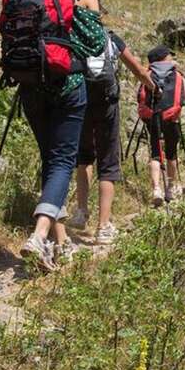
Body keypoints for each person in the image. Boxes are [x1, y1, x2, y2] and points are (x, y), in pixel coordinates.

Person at [0, 0, 94, 271]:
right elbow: (96, 43)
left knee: (51, 161)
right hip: (67, 84)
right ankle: (39, 236)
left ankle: (61, 242)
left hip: (28, 81)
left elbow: (2, 24)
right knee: (62, 162)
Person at [69, 30, 155, 244]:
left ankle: (81, 211)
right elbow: (137, 69)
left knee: (84, 156)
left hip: (80, 100)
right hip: (107, 102)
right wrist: (153, 86)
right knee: (108, 160)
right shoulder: (109, 37)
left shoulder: (72, 34)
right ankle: (103, 226)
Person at [139, 45, 185, 207]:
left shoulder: (147, 74)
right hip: (171, 118)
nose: (171, 58)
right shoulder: (177, 75)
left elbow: (140, 97)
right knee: (171, 154)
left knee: (155, 153)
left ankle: (156, 189)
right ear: (164, 58)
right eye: (169, 56)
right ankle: (170, 188)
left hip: (152, 118)